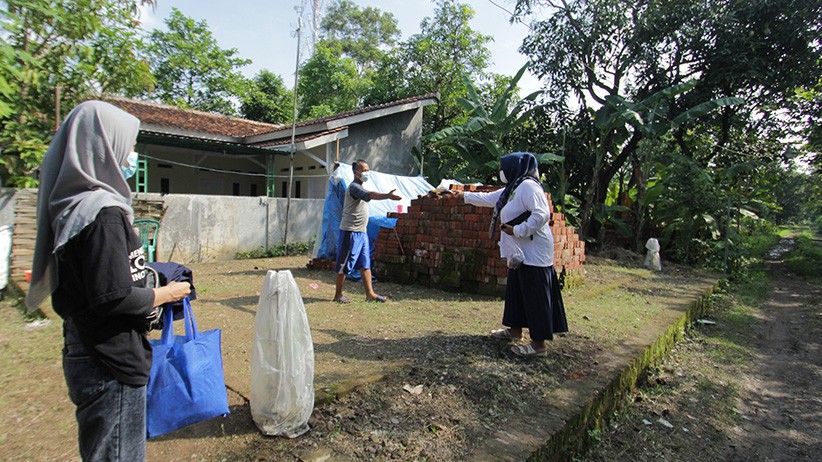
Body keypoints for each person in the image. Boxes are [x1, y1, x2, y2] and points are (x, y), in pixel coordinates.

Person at [26, 101, 191, 461]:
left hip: (85, 342)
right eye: (127, 145)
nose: (131, 155)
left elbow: (95, 282)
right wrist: (167, 292)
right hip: (109, 356)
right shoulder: (104, 213)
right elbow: (111, 297)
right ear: (104, 145)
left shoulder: (74, 205)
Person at [448, 152, 568, 357]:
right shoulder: (514, 188)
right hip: (519, 252)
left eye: (504, 168)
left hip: (534, 251)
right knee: (517, 292)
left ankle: (539, 345)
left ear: (514, 168)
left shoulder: (529, 186)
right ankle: (514, 331)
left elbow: (542, 214)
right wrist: (462, 196)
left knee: (534, 295)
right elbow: (489, 198)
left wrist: (518, 230)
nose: (501, 172)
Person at [333, 159, 401, 303]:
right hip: (350, 231)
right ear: (355, 172)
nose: (366, 173)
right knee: (344, 264)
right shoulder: (354, 187)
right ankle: (338, 295)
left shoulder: (360, 187)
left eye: (367, 170)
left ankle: (370, 294)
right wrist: (387, 196)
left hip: (361, 232)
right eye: (363, 170)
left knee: (365, 264)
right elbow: (370, 195)